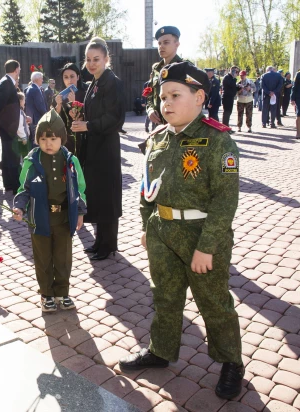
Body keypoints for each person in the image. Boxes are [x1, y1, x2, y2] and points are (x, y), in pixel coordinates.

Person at [119, 61, 243, 401]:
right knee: (165, 296)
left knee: (214, 302)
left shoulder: (217, 141)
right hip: (162, 231)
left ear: (200, 96)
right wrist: (148, 226)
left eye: (175, 95)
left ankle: (231, 361)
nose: (166, 103)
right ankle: (160, 350)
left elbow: (225, 200)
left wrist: (207, 246)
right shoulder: (157, 139)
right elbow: (147, 188)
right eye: (162, 97)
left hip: (201, 235)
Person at [13, 110, 87, 312]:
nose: (48, 143)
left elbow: (80, 188)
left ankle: (62, 293)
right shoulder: (32, 161)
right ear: (37, 139)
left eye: (53, 138)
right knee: (43, 258)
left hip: (63, 218)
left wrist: (80, 212)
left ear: (61, 139)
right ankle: (46, 295)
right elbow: (24, 188)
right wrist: (19, 207)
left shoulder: (71, 161)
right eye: (43, 138)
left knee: (63, 257)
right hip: (40, 218)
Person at [71, 37, 124, 261]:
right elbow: (94, 112)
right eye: (88, 59)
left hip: (106, 147)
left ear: (106, 59)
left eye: (96, 59)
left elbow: (115, 118)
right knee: (98, 195)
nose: (91, 64)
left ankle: (109, 244)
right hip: (94, 146)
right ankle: (100, 241)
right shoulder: (94, 82)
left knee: (107, 196)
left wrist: (88, 125)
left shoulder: (112, 82)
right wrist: (79, 116)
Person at [0, 60, 23, 194]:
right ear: (16, 69)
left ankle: (9, 184)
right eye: (20, 69)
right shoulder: (6, 83)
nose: (20, 72)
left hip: (7, 126)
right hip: (8, 127)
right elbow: (0, 105)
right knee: (12, 156)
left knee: (7, 156)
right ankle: (15, 185)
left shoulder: (5, 81)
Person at [146, 26, 183, 126]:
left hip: (179, 124)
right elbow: (150, 93)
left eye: (166, 42)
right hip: (158, 124)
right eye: (159, 43)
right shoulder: (156, 69)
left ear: (177, 44)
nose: (161, 46)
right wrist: (150, 110)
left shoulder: (184, 67)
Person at [52, 62, 87, 156]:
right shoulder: (58, 96)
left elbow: (87, 114)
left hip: (83, 137)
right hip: (66, 139)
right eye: (66, 77)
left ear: (78, 77)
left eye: (72, 76)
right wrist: (58, 105)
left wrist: (73, 103)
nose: (69, 80)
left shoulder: (86, 93)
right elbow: (54, 120)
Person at [25, 71, 47, 145]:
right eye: (41, 78)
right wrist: (47, 115)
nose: (42, 80)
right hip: (36, 119)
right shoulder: (35, 89)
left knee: (34, 140)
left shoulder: (31, 88)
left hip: (33, 118)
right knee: (36, 141)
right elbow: (40, 105)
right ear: (37, 79)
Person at [15, 92, 32, 158]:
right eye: (24, 100)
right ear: (21, 101)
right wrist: (24, 138)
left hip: (22, 138)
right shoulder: (19, 112)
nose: (25, 102)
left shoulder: (20, 111)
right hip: (22, 139)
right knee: (24, 157)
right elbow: (19, 127)